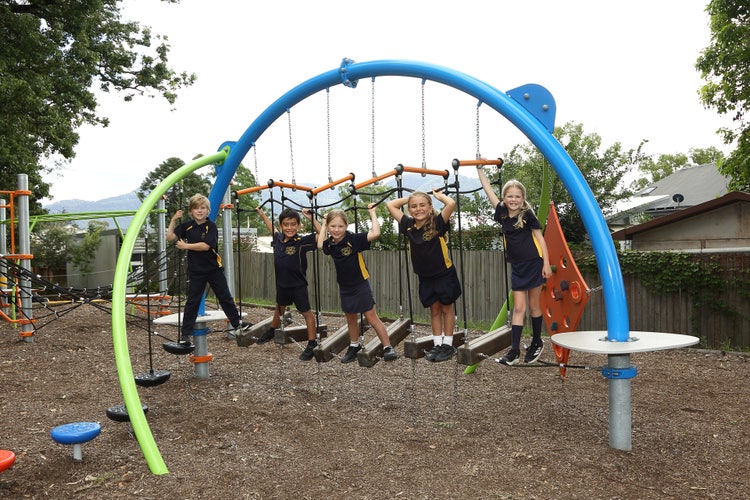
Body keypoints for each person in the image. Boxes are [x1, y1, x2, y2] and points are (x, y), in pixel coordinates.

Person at [477, 169, 552, 365]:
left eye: (517, 196)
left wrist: (546, 263)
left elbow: (540, 239)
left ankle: (537, 341)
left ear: (523, 198)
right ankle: (514, 351)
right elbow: (488, 190)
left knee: (534, 304)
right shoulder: (501, 213)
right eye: (509, 196)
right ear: (504, 198)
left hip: (534, 263)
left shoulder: (527, 215)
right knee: (519, 307)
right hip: (518, 267)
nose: (513, 199)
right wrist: (480, 171)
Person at [386, 190, 462, 363]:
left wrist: (438, 196)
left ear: (430, 207)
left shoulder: (437, 222)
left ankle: (448, 345)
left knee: (446, 308)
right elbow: (390, 205)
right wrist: (412, 197)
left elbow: (450, 204)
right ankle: (437, 344)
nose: (418, 209)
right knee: (434, 310)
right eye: (413, 206)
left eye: (422, 205)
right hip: (425, 277)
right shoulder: (408, 225)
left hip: (444, 274)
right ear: (409, 209)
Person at [317, 205, 399, 364]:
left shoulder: (353, 240)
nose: (336, 229)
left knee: (371, 317)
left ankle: (388, 347)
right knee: (351, 318)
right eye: (332, 226)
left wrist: (373, 213)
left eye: (340, 226)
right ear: (328, 227)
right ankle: (354, 346)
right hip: (345, 287)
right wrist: (323, 223)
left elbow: (375, 233)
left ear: (346, 226)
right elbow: (320, 245)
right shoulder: (330, 244)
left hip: (360, 284)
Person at [166, 193, 250, 343]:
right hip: (196, 270)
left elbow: (205, 246)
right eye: (196, 208)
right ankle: (185, 333)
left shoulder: (210, 226)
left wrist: (186, 246)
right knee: (193, 300)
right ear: (191, 211)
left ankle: (238, 324)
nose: (199, 211)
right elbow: (170, 237)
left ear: (208, 211)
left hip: (213, 269)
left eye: (203, 208)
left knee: (225, 297)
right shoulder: (187, 226)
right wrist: (173, 219)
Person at [255, 206, 321, 361]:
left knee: (306, 313)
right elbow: (271, 228)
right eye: (286, 224)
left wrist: (311, 218)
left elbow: (321, 234)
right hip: (282, 283)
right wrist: (262, 214)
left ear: (298, 225)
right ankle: (272, 330)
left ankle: (312, 343)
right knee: (279, 307)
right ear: (281, 226)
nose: (289, 227)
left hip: (298, 285)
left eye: (293, 224)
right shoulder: (278, 239)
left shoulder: (301, 242)